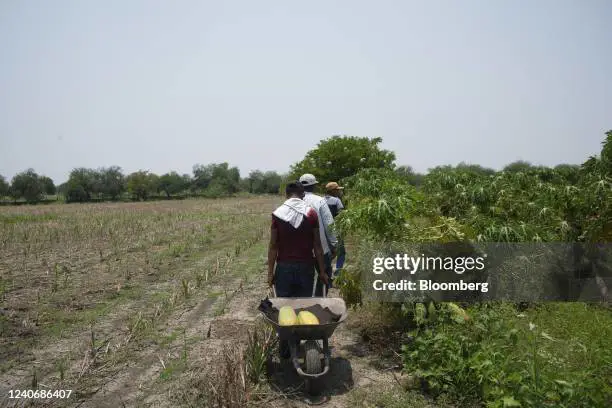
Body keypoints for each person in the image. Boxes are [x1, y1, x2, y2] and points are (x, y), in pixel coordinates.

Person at [268, 181, 328, 359]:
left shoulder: (278, 214)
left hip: (284, 268)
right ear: (302, 194)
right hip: (306, 268)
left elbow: (273, 246)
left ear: (286, 195)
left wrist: (270, 274)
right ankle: (304, 342)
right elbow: (317, 245)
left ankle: (285, 348)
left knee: (284, 308)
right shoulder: (311, 213)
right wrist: (323, 272)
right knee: (303, 307)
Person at [298, 173, 337, 295]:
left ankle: (305, 303)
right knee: (324, 276)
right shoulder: (320, 201)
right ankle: (319, 301)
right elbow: (329, 225)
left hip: (301, 251)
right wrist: (334, 244)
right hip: (322, 248)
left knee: (304, 280)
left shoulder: (294, 202)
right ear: (314, 186)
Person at [325, 182, 346, 277]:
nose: (339, 191)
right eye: (337, 190)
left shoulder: (320, 200)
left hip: (324, 230)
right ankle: (338, 272)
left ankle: (326, 270)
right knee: (341, 252)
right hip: (335, 229)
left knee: (327, 251)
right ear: (333, 191)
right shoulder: (337, 201)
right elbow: (341, 215)